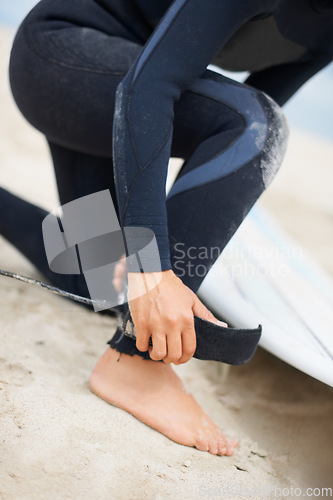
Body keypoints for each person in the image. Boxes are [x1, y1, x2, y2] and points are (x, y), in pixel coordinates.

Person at [2, 0, 332, 455]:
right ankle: (136, 363)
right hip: (63, 59)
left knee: (100, 281)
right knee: (257, 125)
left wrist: (155, 240)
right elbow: (160, 90)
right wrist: (150, 263)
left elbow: (232, 122)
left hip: (119, 91)